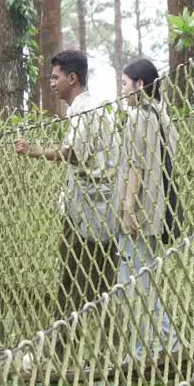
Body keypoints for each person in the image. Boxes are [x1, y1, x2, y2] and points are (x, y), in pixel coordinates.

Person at [14, 50, 120, 324]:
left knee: (75, 276)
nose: (51, 83)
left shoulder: (85, 110)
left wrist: (34, 150)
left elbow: (72, 153)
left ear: (72, 78)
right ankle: (94, 335)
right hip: (98, 206)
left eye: (55, 77)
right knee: (98, 279)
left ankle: (63, 339)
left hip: (90, 209)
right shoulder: (87, 108)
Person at [116, 58, 179, 358]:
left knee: (132, 284)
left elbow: (136, 167)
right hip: (158, 209)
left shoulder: (138, 118)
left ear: (140, 85)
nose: (121, 91)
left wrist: (128, 210)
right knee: (145, 279)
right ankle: (166, 342)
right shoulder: (164, 117)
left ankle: (146, 348)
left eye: (124, 84)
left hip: (139, 213)